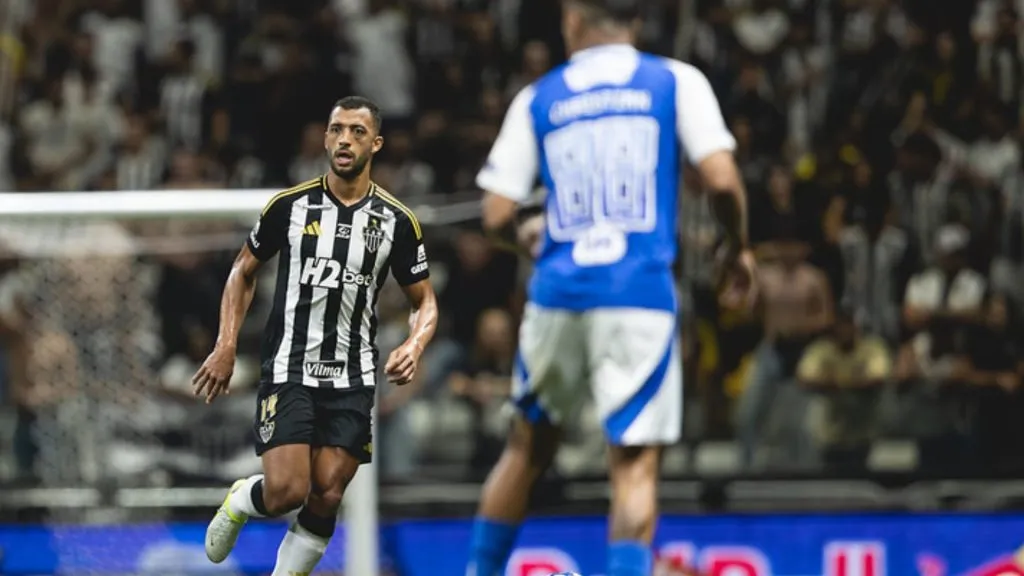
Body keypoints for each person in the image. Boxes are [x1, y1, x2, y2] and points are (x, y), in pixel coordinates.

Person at [469, 2, 756, 575]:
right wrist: (736, 246)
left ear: (574, 20)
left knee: (525, 452)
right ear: (637, 21)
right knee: (632, 467)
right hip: (637, 294)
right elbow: (722, 182)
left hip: (557, 292)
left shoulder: (540, 97)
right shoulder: (675, 81)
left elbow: (496, 211)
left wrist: (529, 234)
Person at [193, 96, 438, 575]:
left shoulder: (397, 221)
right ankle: (243, 498)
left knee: (327, 492)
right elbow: (243, 271)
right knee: (287, 490)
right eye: (337, 129)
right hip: (290, 366)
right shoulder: (289, 206)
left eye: (357, 132)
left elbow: (424, 300)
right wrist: (225, 345)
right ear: (326, 137)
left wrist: (414, 343)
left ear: (376, 144)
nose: (345, 139)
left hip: (353, 374)